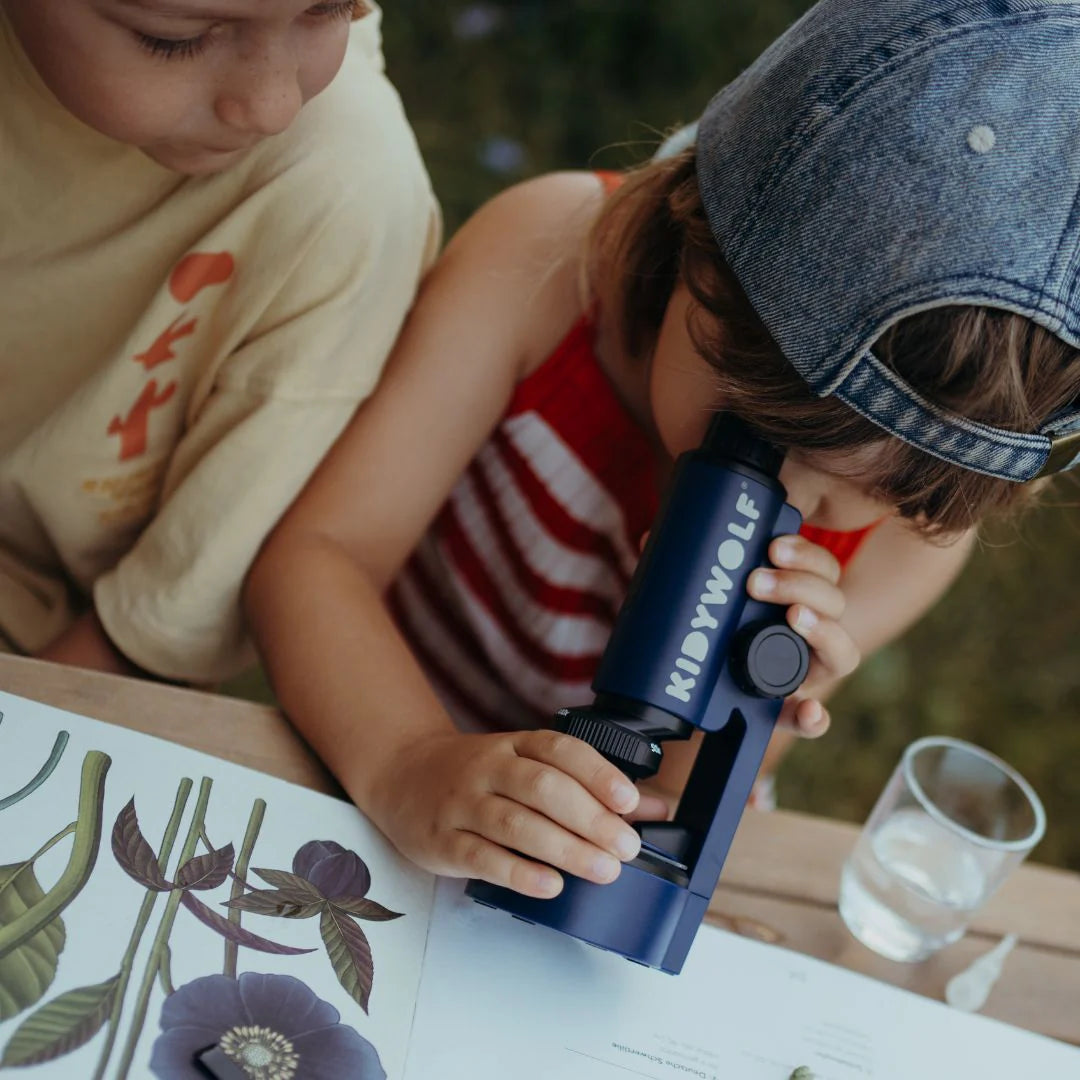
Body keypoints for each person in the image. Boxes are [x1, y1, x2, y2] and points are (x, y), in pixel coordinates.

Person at [245, 0, 1080, 901]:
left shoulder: (918, 533)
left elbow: (665, 814)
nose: (786, 495)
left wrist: (750, 712)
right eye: (761, 429)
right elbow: (319, 559)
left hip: (598, 848)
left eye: (853, 498)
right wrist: (410, 760)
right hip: (385, 720)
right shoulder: (547, 265)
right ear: (700, 252)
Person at [0, 0, 440, 682]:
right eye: (171, 40)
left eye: (331, 10)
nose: (271, 105)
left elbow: (154, 623)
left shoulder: (344, 195)